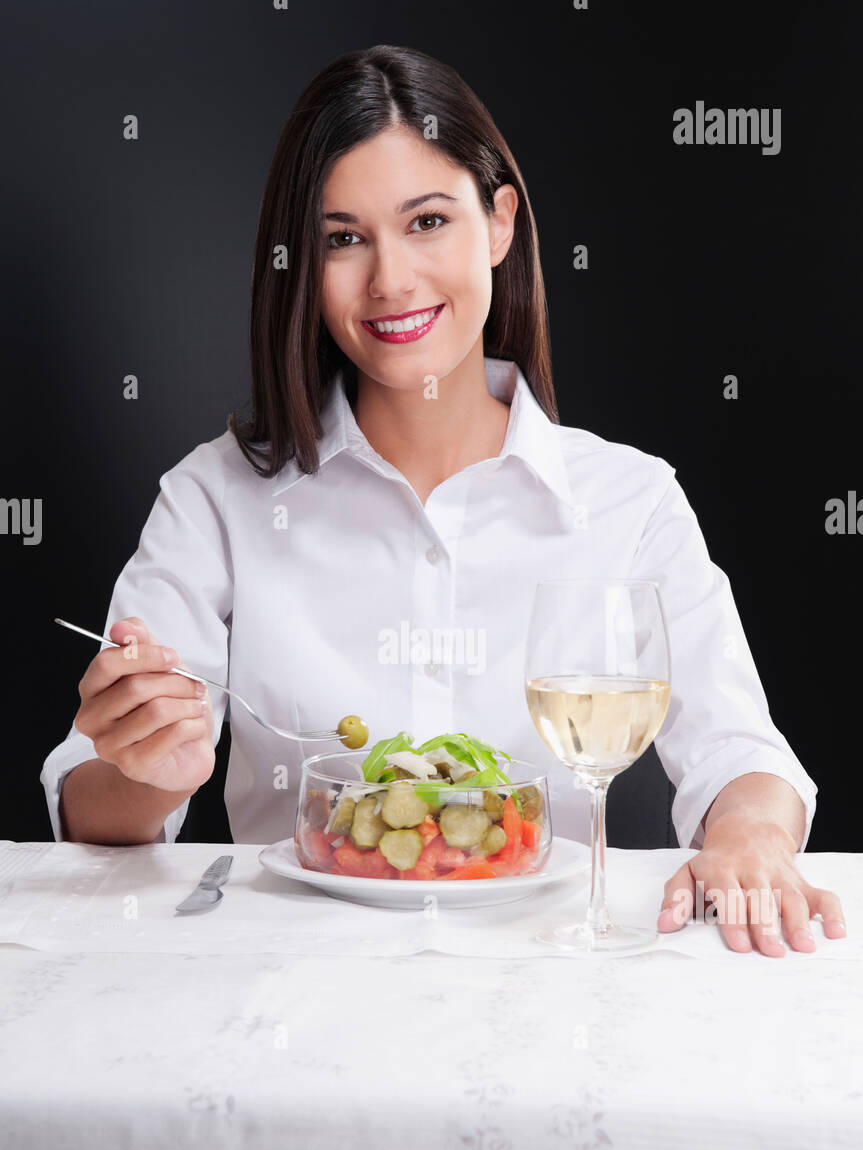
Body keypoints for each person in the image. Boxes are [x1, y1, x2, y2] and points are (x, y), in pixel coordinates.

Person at [41, 44, 845, 957]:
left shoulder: (628, 499)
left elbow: (741, 753)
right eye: (343, 238)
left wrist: (748, 838)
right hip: (285, 991)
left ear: (498, 223)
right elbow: (88, 805)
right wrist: (146, 768)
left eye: (427, 221)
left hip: (550, 982)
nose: (390, 281)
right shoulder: (215, 496)